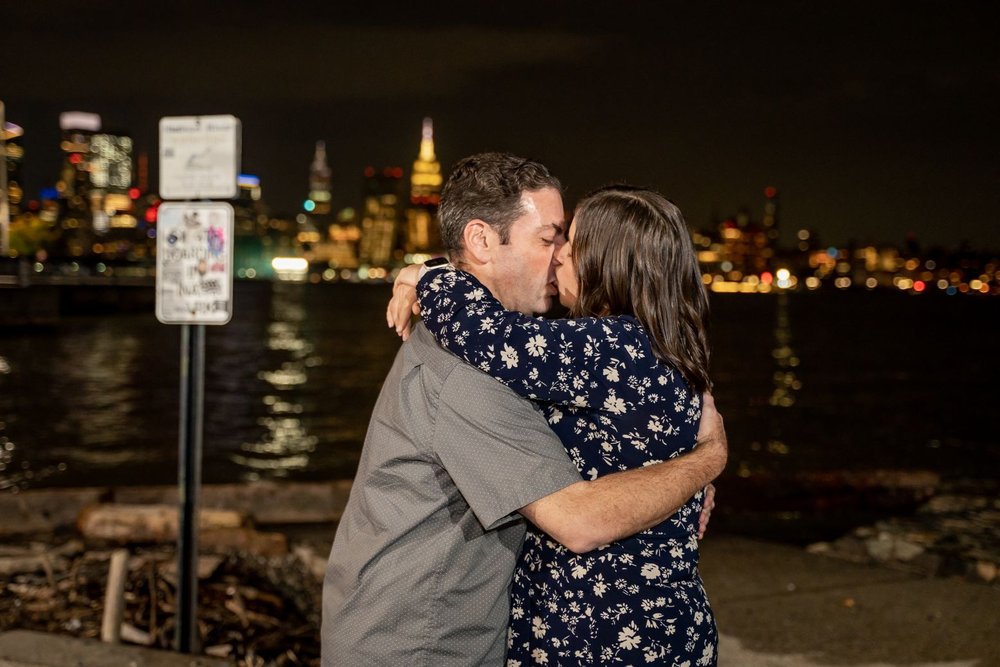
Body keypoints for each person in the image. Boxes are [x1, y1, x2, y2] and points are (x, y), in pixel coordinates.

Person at [322, 153, 726, 666]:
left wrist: (427, 276)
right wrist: (700, 468)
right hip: (425, 643)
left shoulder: (595, 348)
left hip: (598, 633)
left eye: (568, 244)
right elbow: (578, 517)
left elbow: (496, 337)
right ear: (482, 241)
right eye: (549, 238)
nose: (558, 257)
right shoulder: (476, 370)